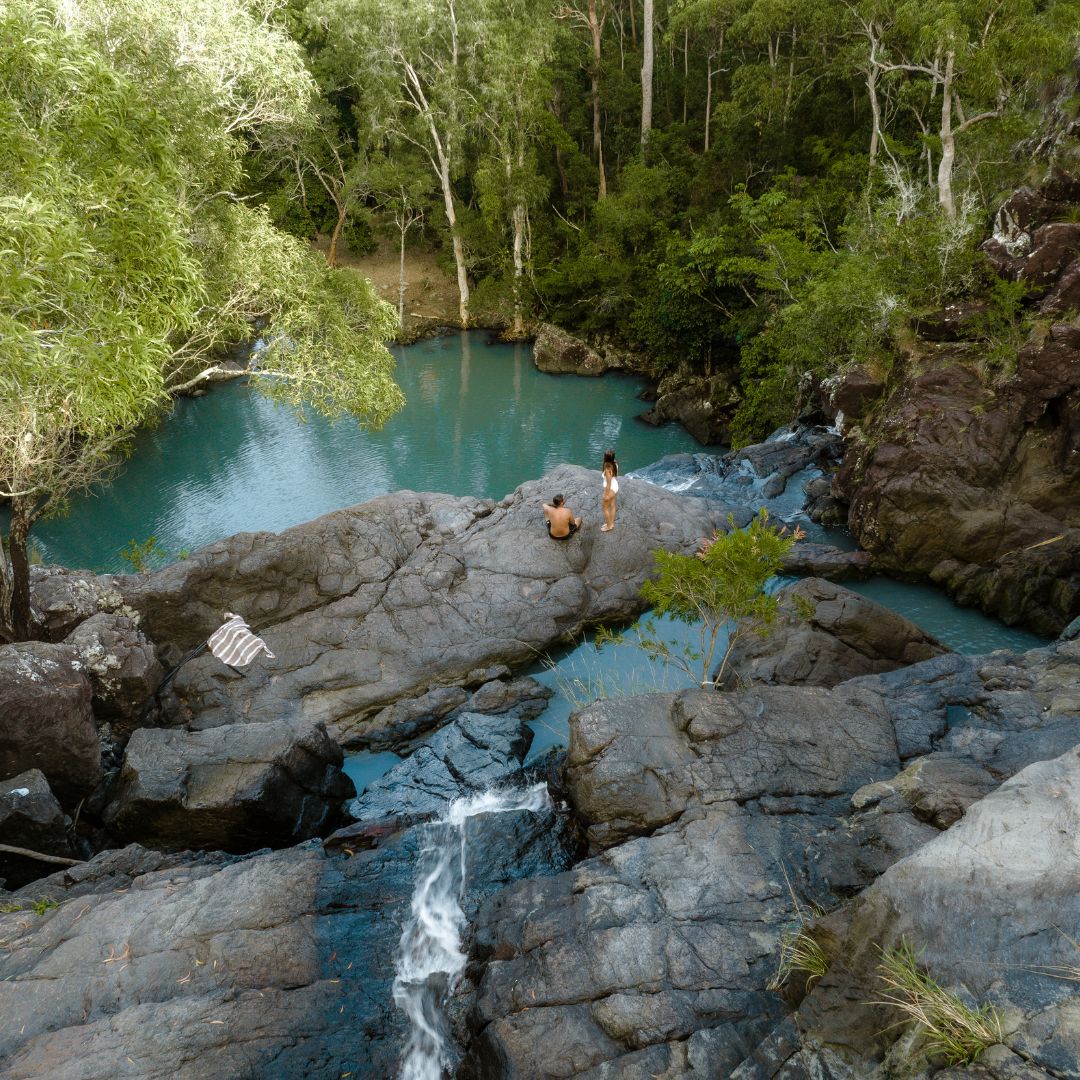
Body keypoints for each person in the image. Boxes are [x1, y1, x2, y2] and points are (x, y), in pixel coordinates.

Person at [600, 449, 619, 532]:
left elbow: (608, 484)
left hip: (610, 488)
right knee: (612, 505)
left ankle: (609, 526)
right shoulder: (615, 463)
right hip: (615, 486)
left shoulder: (608, 470)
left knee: (604, 508)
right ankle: (611, 523)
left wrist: (606, 495)